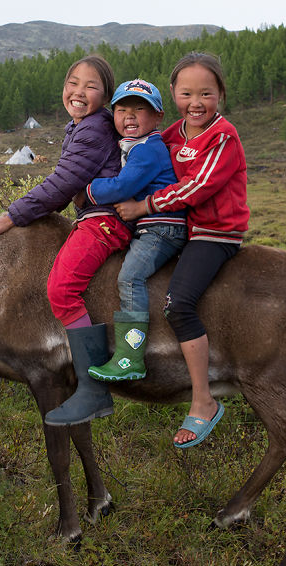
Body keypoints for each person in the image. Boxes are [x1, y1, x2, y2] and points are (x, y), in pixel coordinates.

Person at [0, 55, 128, 427]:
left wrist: (11, 215)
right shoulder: (81, 125)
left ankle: (94, 390)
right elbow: (67, 187)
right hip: (96, 216)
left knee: (62, 289)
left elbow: (62, 186)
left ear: (106, 96)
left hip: (104, 221)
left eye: (91, 86)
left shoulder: (94, 129)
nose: (79, 92)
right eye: (72, 83)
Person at [115, 53, 249, 449]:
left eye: (206, 93)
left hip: (214, 232)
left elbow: (199, 187)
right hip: (181, 230)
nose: (196, 102)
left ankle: (203, 399)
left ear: (220, 95)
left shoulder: (223, 136)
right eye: (187, 92)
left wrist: (144, 206)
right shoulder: (170, 135)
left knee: (178, 303)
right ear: (173, 93)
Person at [72, 78, 186, 384]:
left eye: (140, 110)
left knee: (130, 277)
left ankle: (130, 357)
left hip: (162, 228)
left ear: (159, 117)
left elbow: (124, 186)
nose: (130, 117)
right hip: (152, 226)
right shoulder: (134, 146)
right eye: (122, 110)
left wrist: (88, 189)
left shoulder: (148, 149)